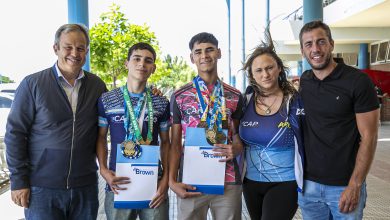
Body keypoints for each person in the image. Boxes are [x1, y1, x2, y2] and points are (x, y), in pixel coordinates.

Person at [5, 24, 107, 219]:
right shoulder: (32, 84)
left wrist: (151, 95)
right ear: (56, 48)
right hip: (42, 189)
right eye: (68, 47)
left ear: (86, 51)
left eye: (80, 48)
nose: (74, 53)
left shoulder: (97, 86)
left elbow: (120, 111)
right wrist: (19, 181)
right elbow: (15, 134)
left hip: (85, 188)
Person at [298, 20, 379, 219]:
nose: (315, 49)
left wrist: (355, 185)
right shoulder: (305, 81)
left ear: (332, 44)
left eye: (321, 42)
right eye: (309, 44)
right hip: (308, 187)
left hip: (344, 185)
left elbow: (369, 137)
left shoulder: (358, 81)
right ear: (302, 51)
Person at [169, 32, 244, 220]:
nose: (204, 56)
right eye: (198, 52)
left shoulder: (235, 96)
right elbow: (175, 144)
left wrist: (237, 147)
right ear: (192, 57)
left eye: (210, 50)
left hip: (228, 180)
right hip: (191, 181)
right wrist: (172, 181)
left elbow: (237, 138)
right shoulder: (180, 96)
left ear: (219, 53)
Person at [96, 42, 170, 220]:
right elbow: (100, 138)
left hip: (153, 184)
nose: (142, 64)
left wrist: (166, 180)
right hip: (117, 183)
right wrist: (104, 170)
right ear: (126, 63)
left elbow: (166, 143)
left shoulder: (160, 102)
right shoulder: (107, 99)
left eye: (148, 61)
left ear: (153, 68)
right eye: (136, 59)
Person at [239, 30, 305, 219]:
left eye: (269, 68)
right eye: (259, 70)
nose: (265, 74)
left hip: (285, 183)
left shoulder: (294, 101)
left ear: (279, 69)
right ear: (252, 74)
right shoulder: (245, 102)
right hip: (250, 182)